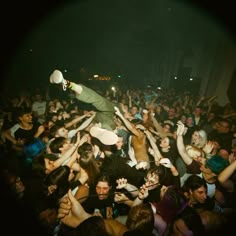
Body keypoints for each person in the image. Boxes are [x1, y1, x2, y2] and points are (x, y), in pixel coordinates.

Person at [49, 69, 118, 145]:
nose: (66, 131)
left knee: (103, 104)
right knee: (108, 122)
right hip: (94, 137)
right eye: (63, 131)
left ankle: (66, 82)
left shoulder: (69, 133)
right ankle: (105, 130)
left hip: (99, 123)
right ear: (56, 136)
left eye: (64, 129)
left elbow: (74, 124)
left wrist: (88, 116)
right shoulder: (54, 145)